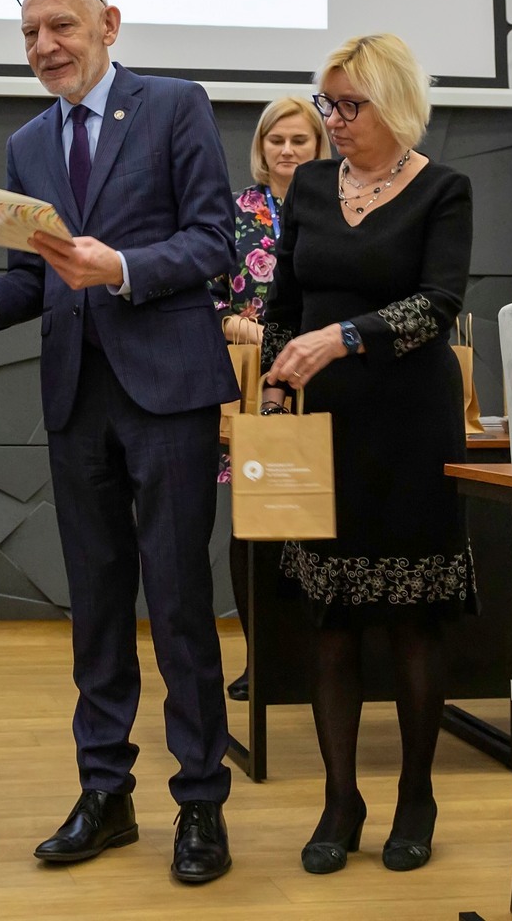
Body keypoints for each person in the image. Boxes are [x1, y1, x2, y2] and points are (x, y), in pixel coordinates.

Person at [0, 0, 239, 883]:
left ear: (108, 24)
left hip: (169, 393)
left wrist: (123, 268)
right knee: (97, 607)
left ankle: (201, 802)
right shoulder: (27, 143)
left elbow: (214, 241)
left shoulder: (175, 105)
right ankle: (105, 793)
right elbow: (38, 279)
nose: (44, 47)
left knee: (179, 603)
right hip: (76, 398)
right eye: (29, 34)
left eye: (60, 26)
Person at [259, 33, 475, 877]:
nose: (335, 120)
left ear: (394, 106)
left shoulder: (443, 190)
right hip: (326, 429)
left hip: (411, 430)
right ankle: (340, 799)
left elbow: (439, 304)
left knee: (414, 622)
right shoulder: (312, 186)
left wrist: (343, 337)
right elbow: (285, 302)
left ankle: (416, 796)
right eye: (330, 104)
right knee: (333, 622)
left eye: (350, 105)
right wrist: (276, 383)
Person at [210, 95, 330, 702]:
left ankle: (322, 660)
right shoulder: (231, 214)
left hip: (330, 381)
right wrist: (250, 329)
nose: (286, 151)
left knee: (320, 522)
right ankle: (263, 659)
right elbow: (203, 300)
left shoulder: (341, 205)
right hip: (258, 389)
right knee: (256, 528)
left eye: (299, 141)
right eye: (275, 140)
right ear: (260, 147)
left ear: (319, 146)